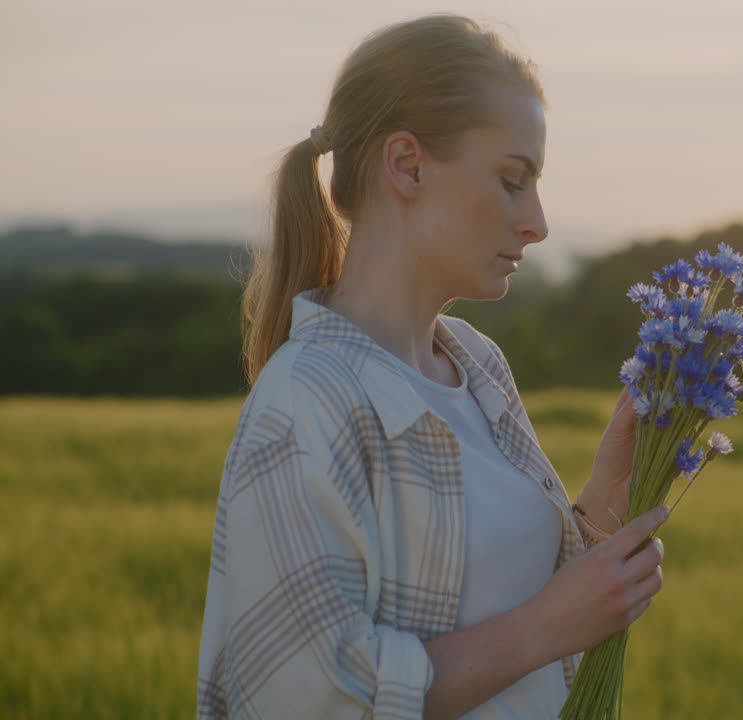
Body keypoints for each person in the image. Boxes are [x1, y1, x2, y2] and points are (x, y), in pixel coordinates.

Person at [196, 14, 668, 720]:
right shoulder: (306, 401)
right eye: (513, 180)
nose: (537, 221)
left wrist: (603, 501)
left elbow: (506, 604)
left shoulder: (476, 365)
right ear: (407, 165)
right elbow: (315, 698)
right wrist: (548, 626)